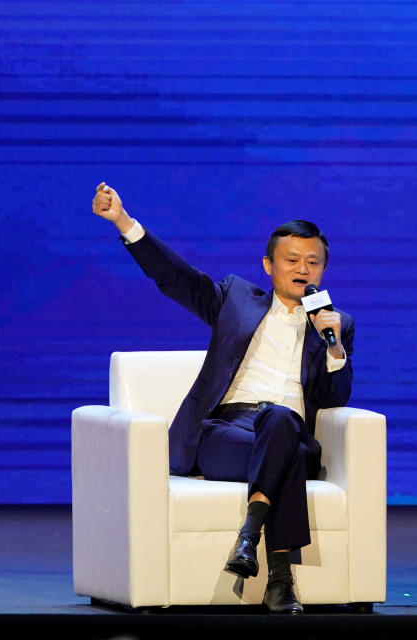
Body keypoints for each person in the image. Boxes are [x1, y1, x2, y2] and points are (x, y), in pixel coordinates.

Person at [91, 182, 354, 615]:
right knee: (280, 434)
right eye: (292, 260)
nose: (302, 268)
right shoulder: (235, 299)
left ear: (323, 271)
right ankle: (280, 582)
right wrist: (124, 221)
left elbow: (334, 397)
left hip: (287, 433)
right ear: (269, 265)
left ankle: (249, 538)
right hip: (225, 436)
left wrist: (335, 349)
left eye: (313, 262)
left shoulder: (336, 324)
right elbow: (176, 278)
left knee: (283, 421)